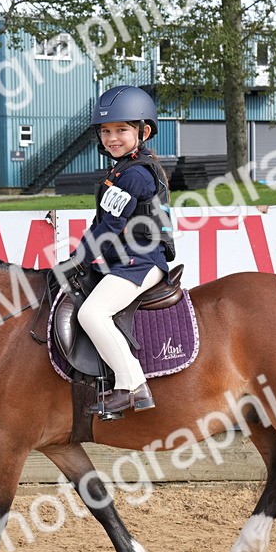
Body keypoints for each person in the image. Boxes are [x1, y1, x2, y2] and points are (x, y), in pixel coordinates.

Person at [64, 85, 174, 417]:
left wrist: (76, 261)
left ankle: (131, 386)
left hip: (139, 262)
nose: (112, 137)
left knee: (91, 314)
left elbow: (107, 228)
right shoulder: (122, 169)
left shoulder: (135, 175)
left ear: (144, 131)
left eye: (122, 130)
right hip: (124, 259)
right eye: (106, 130)